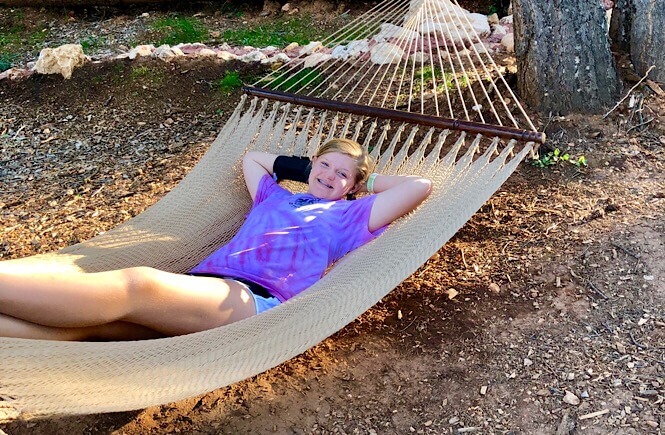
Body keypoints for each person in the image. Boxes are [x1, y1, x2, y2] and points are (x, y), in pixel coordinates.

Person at [0, 138, 432, 341]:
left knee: (138, 284)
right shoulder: (273, 196)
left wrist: (362, 178)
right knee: (92, 330)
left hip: (253, 301)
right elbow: (255, 160)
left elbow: (418, 187)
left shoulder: (350, 214)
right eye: (324, 165)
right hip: (203, 284)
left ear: (355, 187)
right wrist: (308, 170)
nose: (329, 176)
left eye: (342, 174)